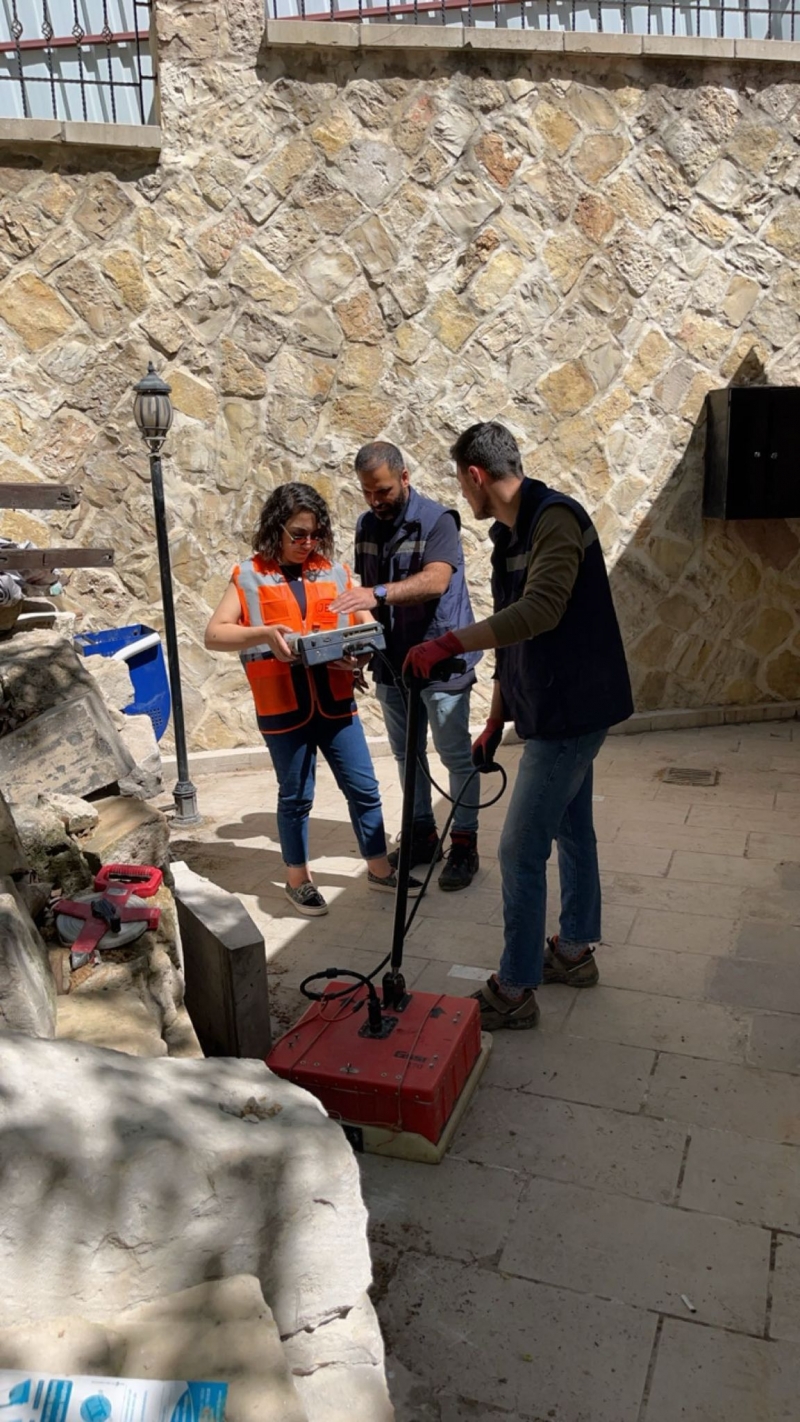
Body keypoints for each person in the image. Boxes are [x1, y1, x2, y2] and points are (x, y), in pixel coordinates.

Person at [404, 422, 633, 1029]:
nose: (463, 492)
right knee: (572, 830)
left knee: (519, 849)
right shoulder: (508, 535)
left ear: (476, 475)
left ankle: (514, 988)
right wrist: (495, 717)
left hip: (573, 712)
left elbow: (540, 611)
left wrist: (448, 642)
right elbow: (513, 634)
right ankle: (575, 952)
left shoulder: (555, 519)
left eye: (461, 482)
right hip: (549, 708)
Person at [205, 482, 421, 917]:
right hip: (282, 705)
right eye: (298, 534)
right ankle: (298, 880)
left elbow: (367, 628)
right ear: (276, 528)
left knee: (364, 787)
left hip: (335, 702)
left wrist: (358, 656)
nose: (308, 543)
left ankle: (379, 870)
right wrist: (264, 633)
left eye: (316, 534)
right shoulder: (249, 575)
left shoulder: (335, 573)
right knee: (296, 796)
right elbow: (214, 634)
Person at [330, 440, 483, 892]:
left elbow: (436, 581)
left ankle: (465, 844)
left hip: (441, 659)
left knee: (455, 755)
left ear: (404, 477)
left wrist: (376, 593)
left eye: (382, 490)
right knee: (406, 754)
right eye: (367, 492)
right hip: (392, 663)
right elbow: (369, 601)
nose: (375, 500)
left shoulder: (438, 521)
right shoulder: (366, 526)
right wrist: (360, 650)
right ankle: (421, 836)